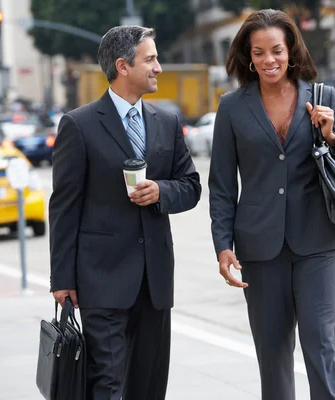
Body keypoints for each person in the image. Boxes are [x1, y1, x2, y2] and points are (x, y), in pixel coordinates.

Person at [208, 9, 335, 400]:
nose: (269, 60)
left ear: (291, 50)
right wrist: (223, 245)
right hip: (259, 247)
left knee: (320, 341)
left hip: (317, 241)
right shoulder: (232, 107)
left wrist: (331, 137)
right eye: (258, 52)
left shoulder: (322, 96)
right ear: (249, 57)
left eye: (276, 50)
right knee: (273, 351)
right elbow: (222, 185)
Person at [49, 26, 201, 400]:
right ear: (122, 66)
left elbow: (192, 185)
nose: (159, 68)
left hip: (155, 280)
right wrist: (62, 278)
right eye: (150, 59)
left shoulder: (166, 122)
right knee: (108, 382)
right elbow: (64, 206)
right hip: (100, 279)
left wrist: (161, 191)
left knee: (148, 386)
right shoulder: (79, 125)